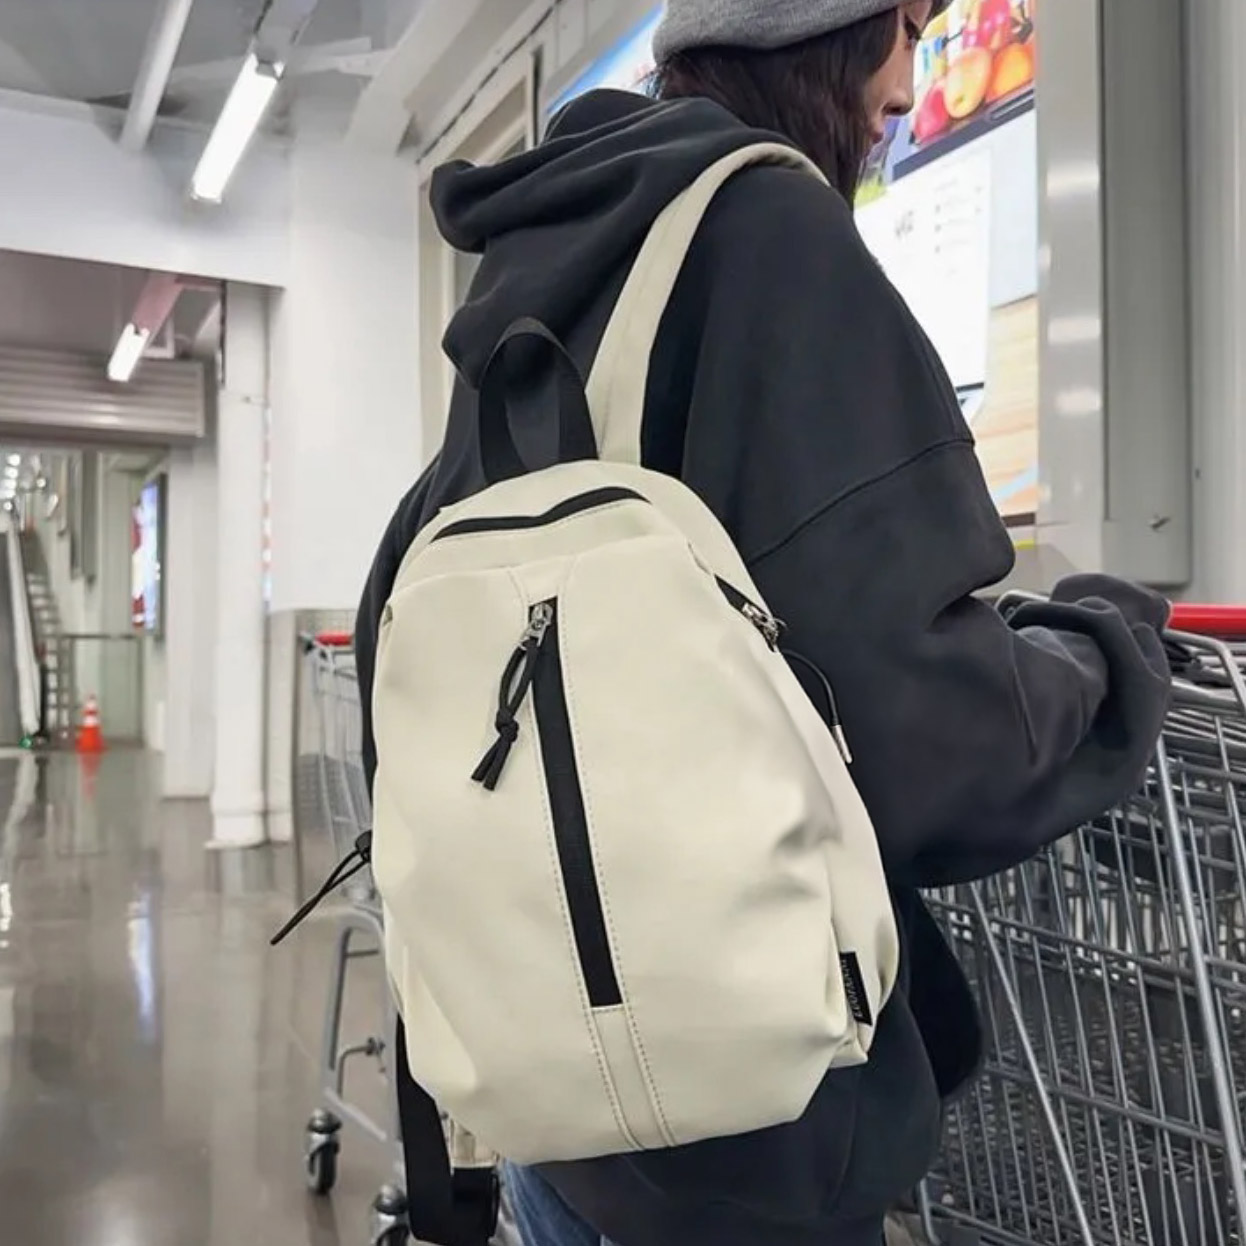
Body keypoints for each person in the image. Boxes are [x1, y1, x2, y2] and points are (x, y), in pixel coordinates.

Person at [354, 1, 1172, 1243]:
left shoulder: (550, 249)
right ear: (826, 28)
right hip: (736, 1113)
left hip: (549, 1083)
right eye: (907, 25)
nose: (908, 82)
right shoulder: (771, 232)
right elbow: (921, 731)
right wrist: (1107, 646)